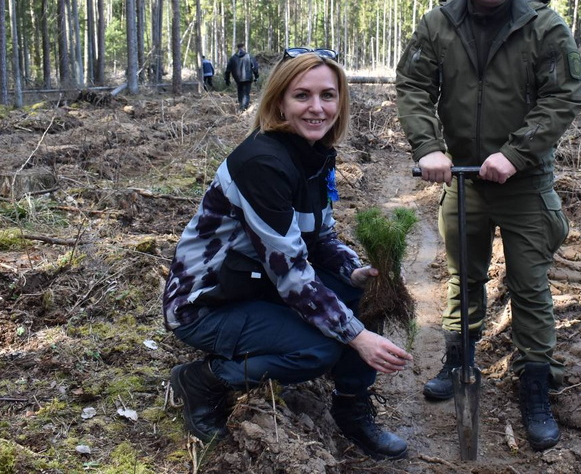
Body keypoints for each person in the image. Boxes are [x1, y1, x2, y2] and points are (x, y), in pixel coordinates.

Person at [163, 47, 412, 460]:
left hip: (255, 282)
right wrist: (356, 336)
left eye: (328, 96)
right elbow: (292, 272)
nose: (317, 108)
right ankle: (203, 379)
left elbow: (321, 238)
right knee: (319, 349)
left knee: (365, 298)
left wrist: (353, 272)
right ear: (279, 101)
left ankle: (352, 408)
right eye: (302, 96)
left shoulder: (314, 155)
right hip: (208, 302)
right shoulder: (262, 163)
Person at [395, 0, 581, 451]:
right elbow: (412, 83)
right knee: (464, 277)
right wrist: (427, 147)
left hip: (525, 183)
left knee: (529, 286)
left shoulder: (545, 26)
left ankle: (535, 386)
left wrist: (514, 154)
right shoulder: (438, 25)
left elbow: (562, 98)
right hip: (464, 180)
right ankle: (458, 361)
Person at [224, 43, 260, 110]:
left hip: (238, 79)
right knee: (246, 94)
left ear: (237, 48)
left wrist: (227, 79)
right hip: (248, 78)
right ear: (244, 47)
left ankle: (241, 106)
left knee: (240, 92)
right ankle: (244, 108)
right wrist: (256, 76)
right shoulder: (249, 56)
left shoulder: (233, 58)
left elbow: (227, 70)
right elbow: (255, 67)